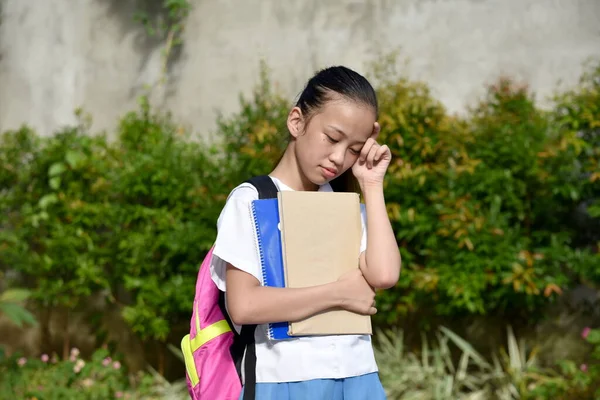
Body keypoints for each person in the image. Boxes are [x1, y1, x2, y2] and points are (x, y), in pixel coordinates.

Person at [210, 65, 401, 400]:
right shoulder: (252, 200)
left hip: (359, 377)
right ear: (297, 122)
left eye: (355, 148)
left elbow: (384, 275)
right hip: (283, 381)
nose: (340, 157)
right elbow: (244, 305)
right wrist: (337, 293)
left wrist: (371, 184)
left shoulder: (346, 206)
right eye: (332, 138)